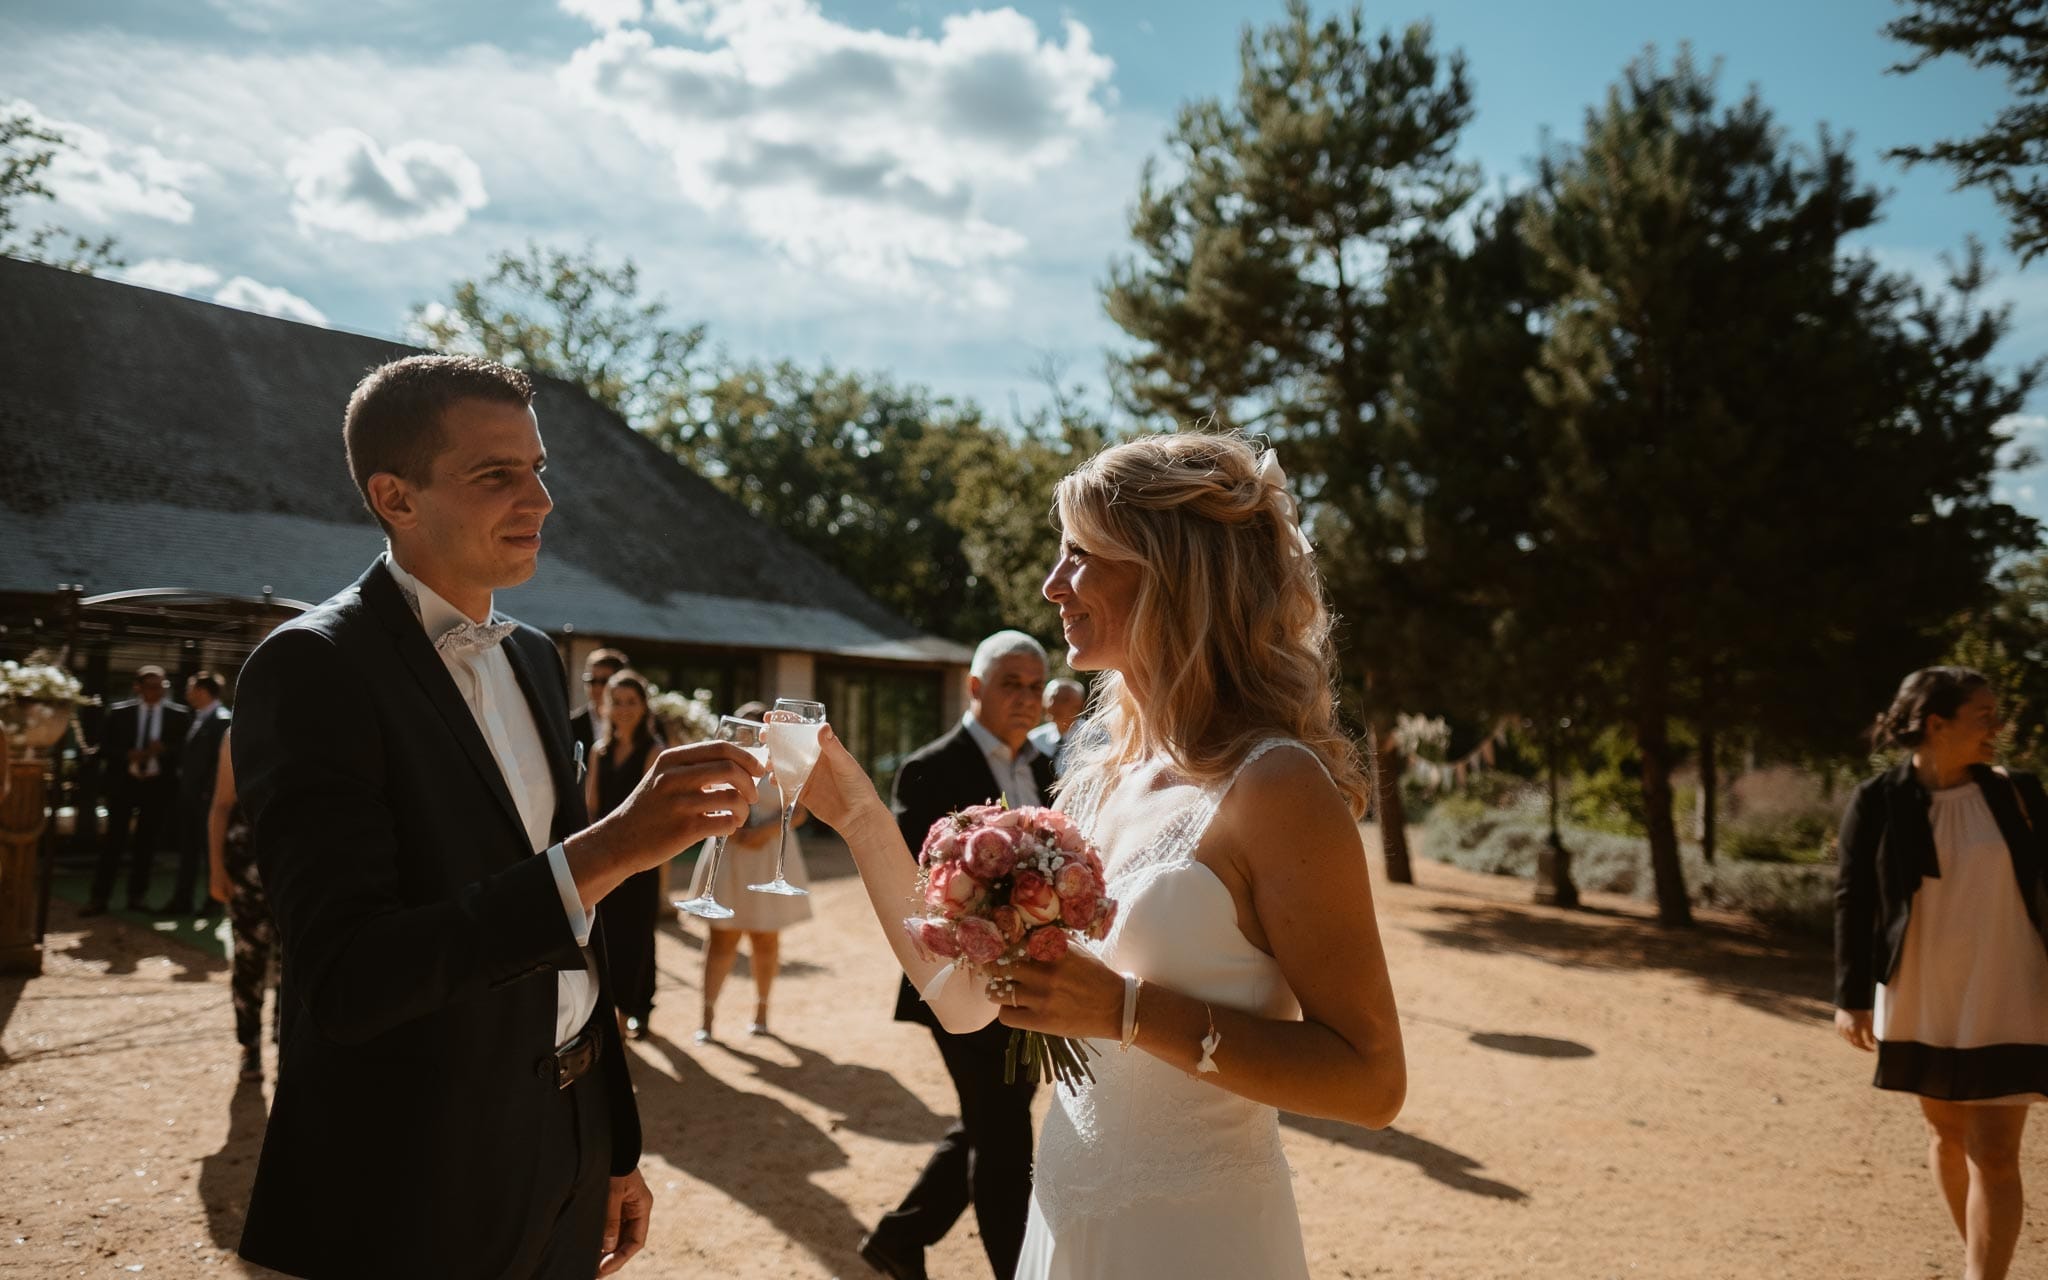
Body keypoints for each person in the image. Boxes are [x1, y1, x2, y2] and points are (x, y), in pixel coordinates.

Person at [803, 433, 1405, 1280]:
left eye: (1079, 556)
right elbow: (972, 1007)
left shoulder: (1277, 785)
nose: (1052, 586)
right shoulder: (1097, 771)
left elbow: (1373, 1082)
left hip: (1199, 1240)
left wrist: (1126, 1011)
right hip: (1070, 1213)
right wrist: (860, 816)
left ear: (1169, 573)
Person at [231, 353, 764, 1279]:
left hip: (563, 1148)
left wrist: (611, 1143)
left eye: (539, 468)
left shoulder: (531, 659)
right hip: (414, 1178)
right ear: (395, 497)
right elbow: (350, 979)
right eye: (497, 475)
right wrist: (614, 848)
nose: (542, 501)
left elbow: (570, 949)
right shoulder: (312, 669)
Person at [1834, 666, 2048, 1280]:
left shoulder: (2019, 795)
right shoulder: (1877, 801)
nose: (1997, 727)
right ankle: (1979, 1255)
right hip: (1924, 987)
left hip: (2010, 987)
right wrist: (1851, 998)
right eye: (1984, 715)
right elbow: (1854, 899)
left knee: (1997, 1152)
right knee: (1948, 1138)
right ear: (1937, 724)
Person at [854, 630, 1053, 1280]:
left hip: (1033, 980)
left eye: (1034, 687)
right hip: (958, 979)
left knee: (993, 1119)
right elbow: (920, 888)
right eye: (1010, 684)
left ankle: (899, 1237)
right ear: (975, 687)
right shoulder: (929, 768)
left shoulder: (1051, 770)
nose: (1025, 699)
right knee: (1003, 1137)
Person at [683, 700, 814, 1045]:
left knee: (765, 937)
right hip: (729, 851)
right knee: (722, 938)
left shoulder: (785, 764)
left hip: (771, 853)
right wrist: (734, 828)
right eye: (746, 728)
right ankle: (707, 1019)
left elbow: (798, 812)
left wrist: (765, 831)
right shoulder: (723, 764)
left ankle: (762, 1014)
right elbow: (702, 798)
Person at [588, 669, 663, 1041]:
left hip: (640, 860)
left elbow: (655, 813)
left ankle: (639, 1008)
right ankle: (609, 1009)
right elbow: (591, 808)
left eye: (630, 702)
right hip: (604, 859)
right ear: (605, 707)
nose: (623, 709)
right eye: (616, 702)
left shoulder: (654, 752)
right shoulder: (598, 753)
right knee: (605, 934)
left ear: (644, 706)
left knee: (638, 935)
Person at [83, 665, 191, 916]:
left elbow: (185, 750)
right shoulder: (121, 713)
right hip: (124, 783)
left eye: (162, 687)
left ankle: (137, 895)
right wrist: (126, 755)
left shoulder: (178, 715)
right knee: (113, 841)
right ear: (138, 688)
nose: (158, 692)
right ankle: (99, 897)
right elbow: (103, 748)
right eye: (152, 687)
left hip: (156, 785)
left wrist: (163, 750)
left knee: (147, 842)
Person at [207, 725, 280, 1081]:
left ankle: (288, 1049)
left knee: (296, 965)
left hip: (299, 869)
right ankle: (250, 1047)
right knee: (249, 960)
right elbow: (221, 805)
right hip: (246, 867)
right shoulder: (237, 732)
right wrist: (216, 869)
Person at [163, 671, 231, 917]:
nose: (187, 693)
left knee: (208, 850)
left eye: (191, 688)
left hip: (208, 799)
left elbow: (219, 764)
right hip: (191, 798)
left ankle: (213, 902)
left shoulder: (222, 720)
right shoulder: (198, 718)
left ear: (203, 691)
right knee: (189, 849)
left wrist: (207, 793)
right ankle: (183, 899)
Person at [572, 648, 631, 756]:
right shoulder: (572, 725)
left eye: (604, 681)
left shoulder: (635, 722)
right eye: (592, 681)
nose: (597, 687)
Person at [1028, 677, 1085, 761]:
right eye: (1051, 698)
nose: (1052, 705)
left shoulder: (1095, 739)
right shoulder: (1035, 740)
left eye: (1062, 700)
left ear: (1078, 706)